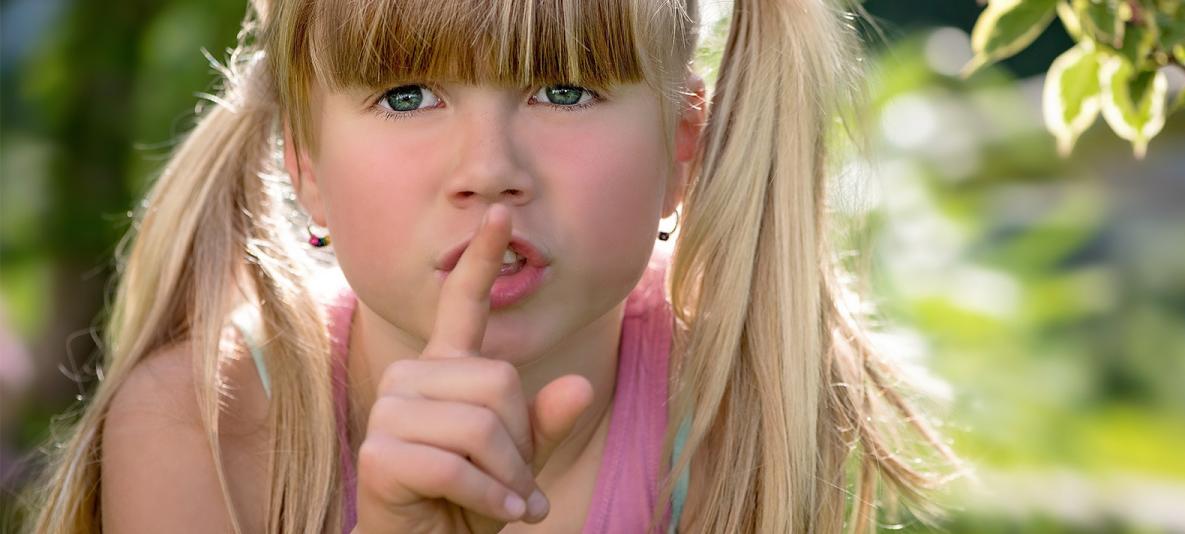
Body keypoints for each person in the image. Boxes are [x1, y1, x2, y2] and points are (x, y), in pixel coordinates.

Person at [25, 0, 964, 532]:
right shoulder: (202, 426)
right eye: (406, 95)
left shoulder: (734, 421)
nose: (489, 172)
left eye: (564, 88)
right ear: (304, 167)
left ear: (683, 145)